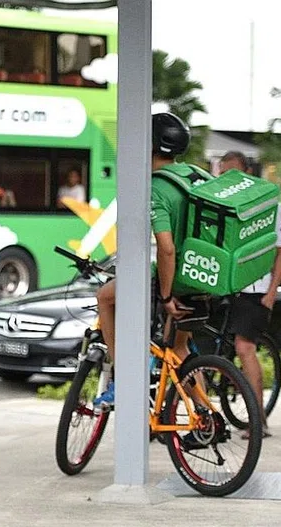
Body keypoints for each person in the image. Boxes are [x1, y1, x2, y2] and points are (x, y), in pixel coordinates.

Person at [94, 112, 195, 406]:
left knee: (105, 297)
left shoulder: (155, 188)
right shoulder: (193, 175)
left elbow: (166, 248)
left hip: (177, 278)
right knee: (179, 351)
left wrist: (165, 295)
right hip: (204, 275)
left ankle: (123, 377)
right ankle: (204, 418)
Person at [217, 150, 281, 438]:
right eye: (224, 173)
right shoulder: (220, 203)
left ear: (247, 172)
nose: (229, 179)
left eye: (234, 172)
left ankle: (258, 421)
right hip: (227, 288)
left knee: (245, 348)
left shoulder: (267, 204)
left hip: (255, 290)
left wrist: (272, 292)